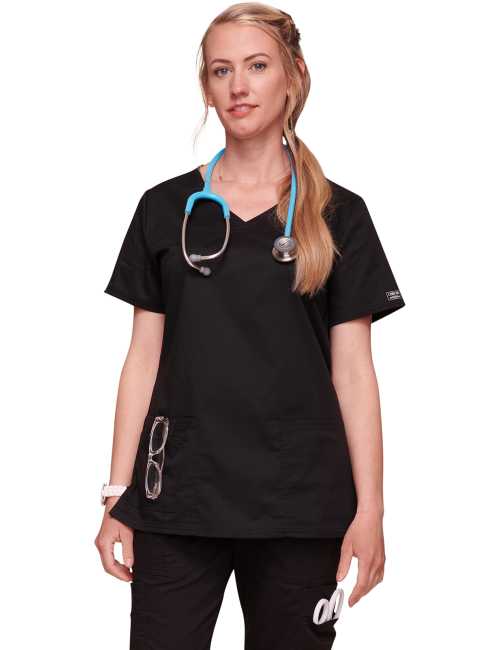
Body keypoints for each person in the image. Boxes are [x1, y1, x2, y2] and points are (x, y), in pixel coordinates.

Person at [94, 3, 406, 648]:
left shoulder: (339, 214)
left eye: (257, 66)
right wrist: (117, 493)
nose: (238, 85)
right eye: (221, 70)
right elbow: (143, 357)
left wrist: (371, 510)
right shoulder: (164, 209)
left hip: (301, 502)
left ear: (293, 76)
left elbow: (354, 373)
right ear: (206, 89)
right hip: (178, 496)